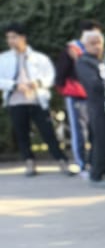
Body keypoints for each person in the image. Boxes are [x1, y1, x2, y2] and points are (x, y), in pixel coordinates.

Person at [0, 23, 71, 176]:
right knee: (22, 133)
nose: (11, 41)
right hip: (16, 101)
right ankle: (29, 162)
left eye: (14, 37)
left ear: (23, 37)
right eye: (8, 38)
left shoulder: (39, 58)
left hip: (37, 100)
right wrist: (14, 85)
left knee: (48, 132)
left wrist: (37, 83)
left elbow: (50, 76)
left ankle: (61, 161)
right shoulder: (4, 59)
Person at [72, 25, 105, 187]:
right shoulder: (83, 62)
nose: (97, 46)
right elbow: (93, 84)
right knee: (101, 141)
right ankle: (96, 175)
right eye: (93, 43)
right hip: (97, 107)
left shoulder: (102, 60)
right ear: (85, 45)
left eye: (99, 42)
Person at [56, 25, 95, 175]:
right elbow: (61, 74)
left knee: (93, 131)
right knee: (79, 131)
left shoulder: (94, 52)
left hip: (91, 95)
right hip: (76, 95)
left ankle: (93, 163)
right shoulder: (72, 50)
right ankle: (82, 165)